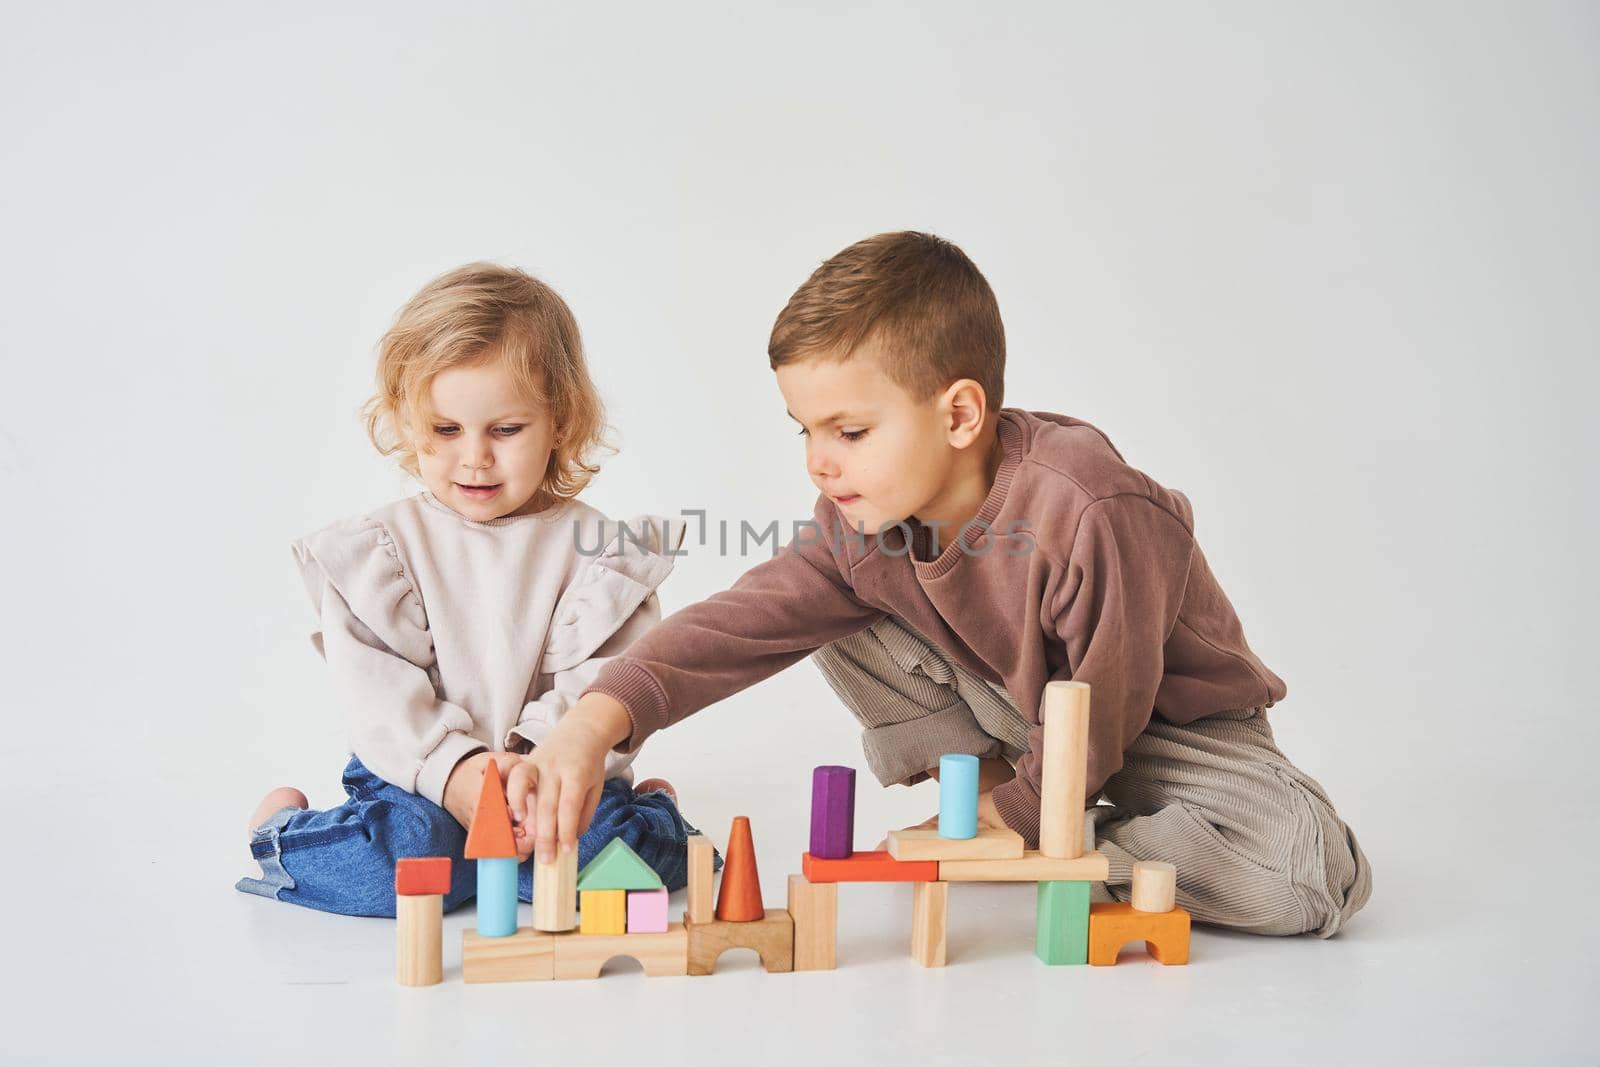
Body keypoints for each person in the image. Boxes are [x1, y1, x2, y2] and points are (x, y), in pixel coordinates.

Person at [507, 231, 1372, 937]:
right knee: (815, 606)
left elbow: (1106, 704)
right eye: (804, 429)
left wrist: (1019, 824)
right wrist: (596, 718)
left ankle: (1066, 836)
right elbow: (747, 621)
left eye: (848, 430)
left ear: (958, 414)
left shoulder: (1089, 506)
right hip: (1021, 713)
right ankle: (1010, 798)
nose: (818, 460)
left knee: (1308, 879)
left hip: (1164, 727)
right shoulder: (862, 517)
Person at [236, 263, 704, 917]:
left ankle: (653, 812)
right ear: (406, 421)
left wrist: (533, 769)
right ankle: (282, 830)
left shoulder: (599, 554)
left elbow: (606, 679)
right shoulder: (382, 553)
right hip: (418, 780)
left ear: (560, 422)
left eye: (505, 430)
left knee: (595, 872)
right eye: (447, 430)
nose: (475, 457)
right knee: (406, 865)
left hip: (553, 776)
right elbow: (378, 695)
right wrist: (457, 772)